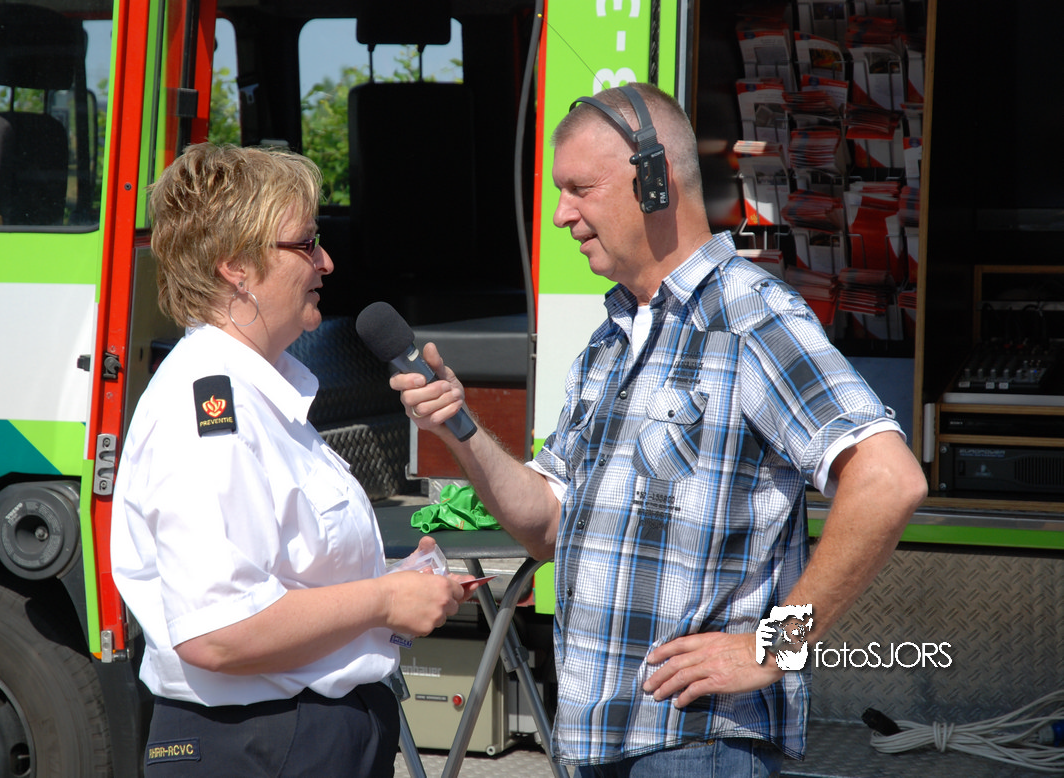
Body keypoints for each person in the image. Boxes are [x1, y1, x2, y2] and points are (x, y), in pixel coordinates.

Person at [389, 83, 928, 776]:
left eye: (580, 189)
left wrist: (774, 648)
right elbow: (547, 525)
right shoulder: (610, 340)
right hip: (598, 736)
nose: (560, 215)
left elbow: (888, 481)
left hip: (697, 745)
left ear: (654, 181)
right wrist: (459, 428)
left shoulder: (750, 317)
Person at [110, 143, 472, 778]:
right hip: (261, 745)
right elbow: (218, 632)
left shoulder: (262, 392)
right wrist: (385, 600)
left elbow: (280, 574)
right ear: (236, 267)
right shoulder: (211, 410)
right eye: (306, 244)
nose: (326, 262)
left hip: (294, 737)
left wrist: (397, 582)